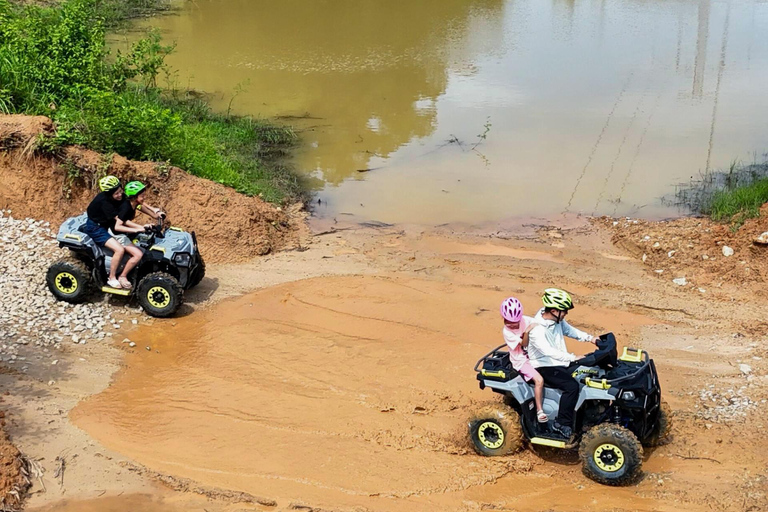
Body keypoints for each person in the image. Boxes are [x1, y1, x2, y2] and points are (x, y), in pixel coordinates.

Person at [526, 288, 597, 440]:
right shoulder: (537, 330)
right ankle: (561, 423)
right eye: (564, 311)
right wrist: (572, 357)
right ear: (553, 310)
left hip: (558, 362)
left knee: (586, 373)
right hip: (543, 365)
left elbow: (570, 330)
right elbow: (548, 351)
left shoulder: (555, 319)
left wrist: (591, 339)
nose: (565, 314)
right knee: (571, 386)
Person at [81, 176, 144, 290]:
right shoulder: (105, 204)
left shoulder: (117, 197)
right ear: (109, 194)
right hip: (97, 228)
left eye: (120, 191)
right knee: (119, 250)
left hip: (105, 224)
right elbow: (120, 221)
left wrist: (154, 211)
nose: (120, 195)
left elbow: (134, 202)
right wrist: (139, 228)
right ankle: (112, 277)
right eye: (116, 194)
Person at [500, 297, 548, 423]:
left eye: (516, 321)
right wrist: (527, 331)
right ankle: (539, 411)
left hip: (534, 356)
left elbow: (540, 326)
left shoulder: (525, 320)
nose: (513, 324)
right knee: (539, 380)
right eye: (509, 321)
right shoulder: (507, 332)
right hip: (521, 361)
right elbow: (524, 344)